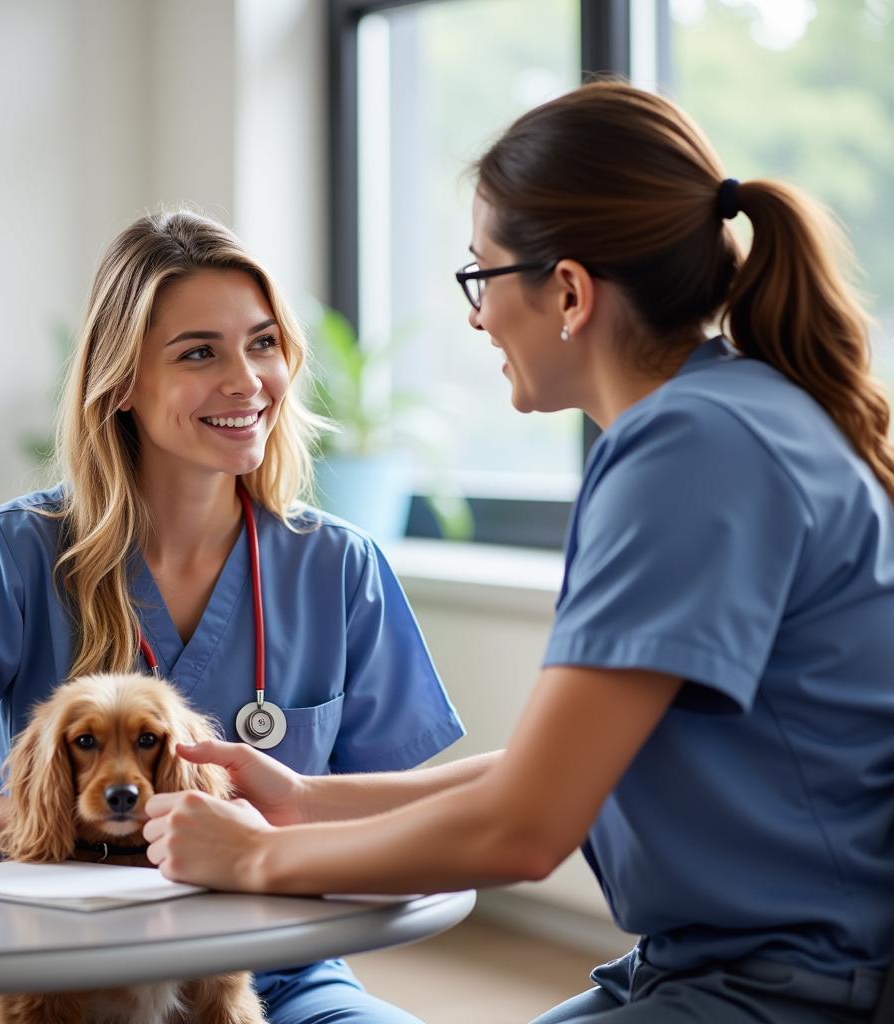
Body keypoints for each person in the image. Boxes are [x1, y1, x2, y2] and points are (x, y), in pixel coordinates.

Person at [141, 83, 894, 1024]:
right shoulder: (729, 417)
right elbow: (549, 766)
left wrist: (254, 857)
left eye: (480, 277)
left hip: (794, 991)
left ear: (570, 291)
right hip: (715, 967)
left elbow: (527, 826)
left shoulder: (690, 454)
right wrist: (304, 801)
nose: (476, 317)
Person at [0, 209, 465, 1024]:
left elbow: (405, 811)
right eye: (199, 354)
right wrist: (3, 821)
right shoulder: (14, 554)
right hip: (60, 974)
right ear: (119, 384)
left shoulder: (337, 568)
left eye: (262, 344)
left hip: (275, 971)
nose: (247, 381)